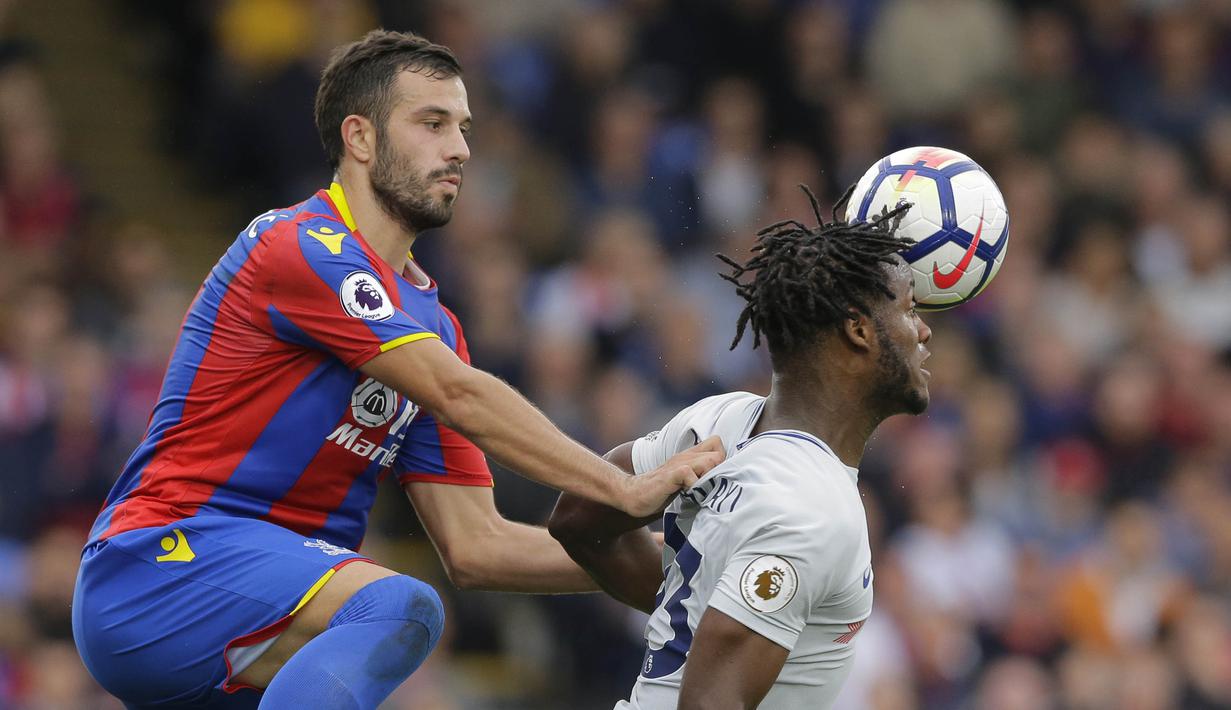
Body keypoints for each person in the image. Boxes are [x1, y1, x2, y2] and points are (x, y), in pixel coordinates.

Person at [71, 30, 722, 709]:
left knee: (396, 611)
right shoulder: (299, 246)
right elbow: (457, 393)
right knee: (402, 608)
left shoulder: (434, 328)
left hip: (253, 616)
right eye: (432, 123)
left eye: (464, 128)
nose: (461, 149)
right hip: (160, 568)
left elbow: (479, 547)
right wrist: (623, 489)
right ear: (360, 138)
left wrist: (681, 555)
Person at [549, 189, 934, 709]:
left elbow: (577, 517)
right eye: (910, 311)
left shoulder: (718, 419)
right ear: (859, 329)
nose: (924, 331)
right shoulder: (811, 510)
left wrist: (695, 600)